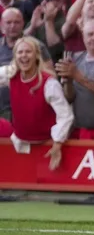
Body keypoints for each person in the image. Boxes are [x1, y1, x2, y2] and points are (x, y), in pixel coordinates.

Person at [1, 36, 72, 170]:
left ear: (37, 56)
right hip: (19, 141)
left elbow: (66, 116)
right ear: (15, 56)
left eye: (28, 52)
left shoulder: (49, 83)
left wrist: (57, 144)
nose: (24, 56)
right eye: (20, 52)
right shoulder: (10, 74)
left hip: (44, 143)